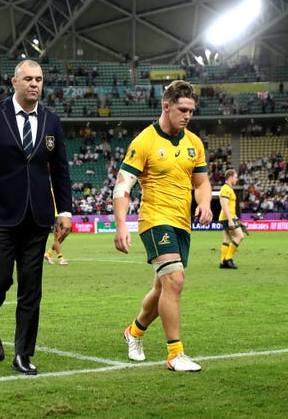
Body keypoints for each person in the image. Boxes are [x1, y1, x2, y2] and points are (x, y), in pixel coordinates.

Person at [0, 59, 73, 375]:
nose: (34, 84)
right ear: (14, 83)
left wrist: (64, 211)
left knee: (31, 288)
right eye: (28, 79)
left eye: (39, 79)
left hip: (37, 218)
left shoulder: (51, 121)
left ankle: (23, 354)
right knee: (1, 279)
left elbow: (60, 170)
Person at [113, 80, 213, 372]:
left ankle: (134, 332)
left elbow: (202, 182)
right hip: (155, 220)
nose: (187, 116)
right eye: (182, 110)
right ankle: (175, 354)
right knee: (175, 280)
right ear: (166, 106)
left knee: (162, 287)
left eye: (191, 111)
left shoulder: (194, 143)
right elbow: (122, 187)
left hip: (182, 223)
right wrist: (121, 226)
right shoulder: (144, 141)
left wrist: (205, 203)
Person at [218, 169, 245, 269]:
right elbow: (224, 205)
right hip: (227, 218)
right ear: (230, 177)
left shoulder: (229, 189)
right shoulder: (225, 189)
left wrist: (237, 220)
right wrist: (230, 220)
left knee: (227, 239)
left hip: (228, 217)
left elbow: (230, 207)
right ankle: (228, 259)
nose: (237, 179)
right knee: (240, 236)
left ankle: (222, 262)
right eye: (235, 177)